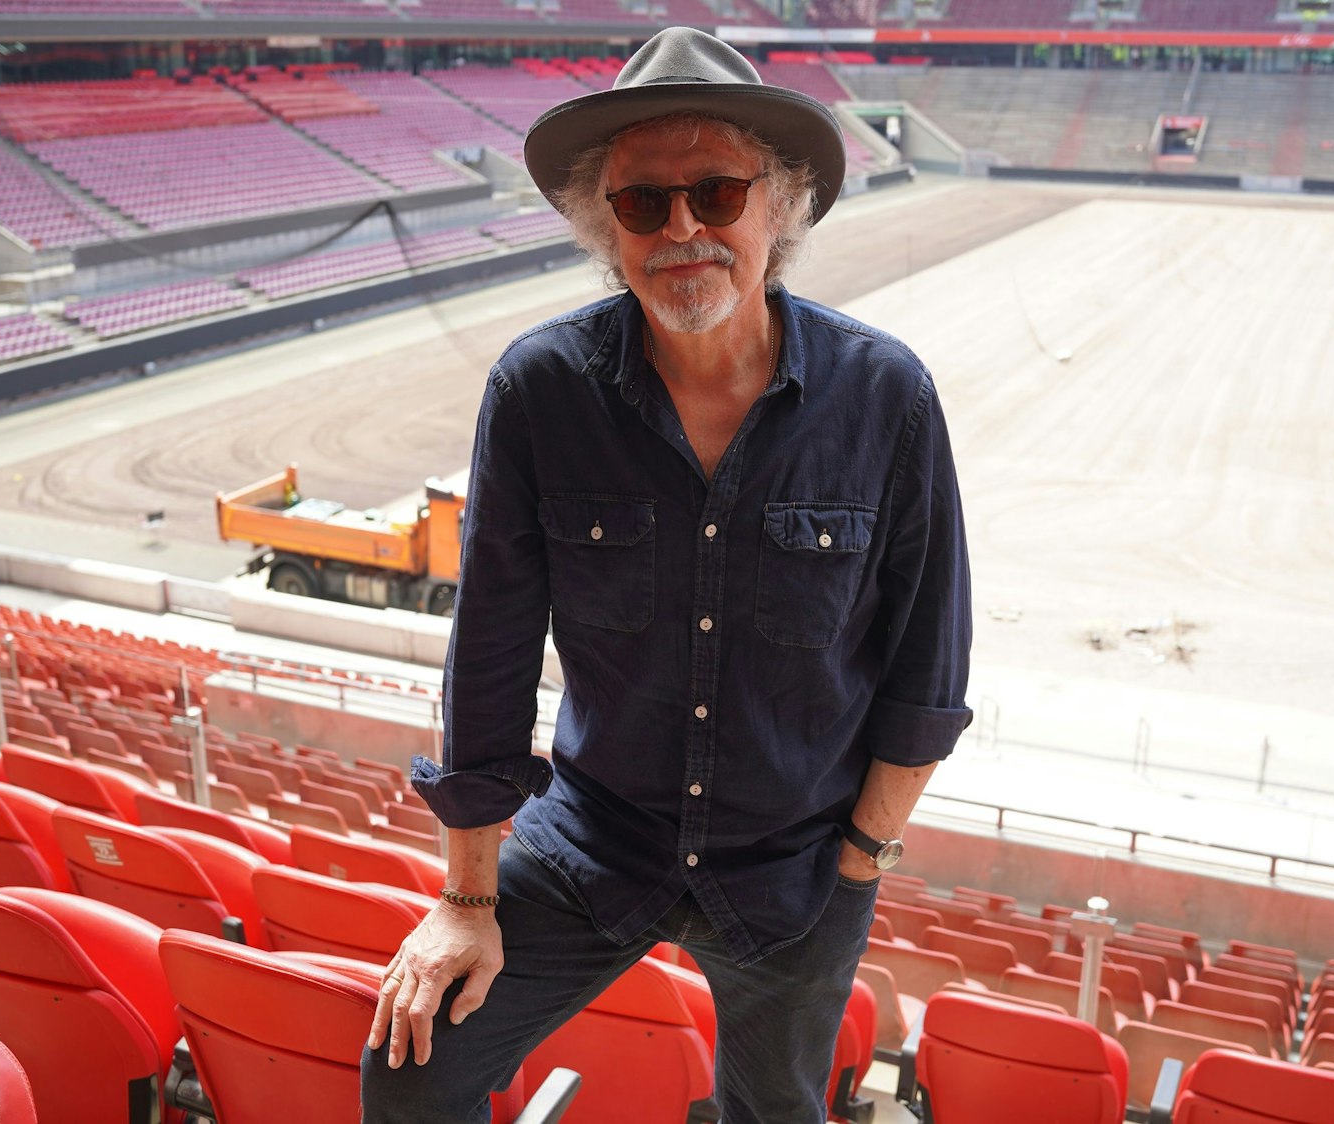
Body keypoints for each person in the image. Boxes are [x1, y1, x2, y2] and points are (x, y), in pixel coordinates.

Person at [362, 27, 972, 1123]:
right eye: (645, 205)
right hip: (596, 834)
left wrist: (861, 858)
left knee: (775, 1114)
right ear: (608, 230)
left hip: (799, 859)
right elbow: (489, 654)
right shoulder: (540, 389)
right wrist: (463, 896)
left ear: (777, 206)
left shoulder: (886, 395)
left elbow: (928, 660)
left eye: (717, 191)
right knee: (411, 1069)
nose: (683, 227)